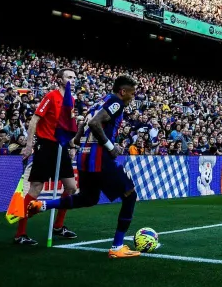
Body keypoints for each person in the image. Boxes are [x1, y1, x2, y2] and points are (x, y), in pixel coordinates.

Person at [29, 75, 143, 259]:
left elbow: (83, 123)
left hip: (84, 156)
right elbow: (94, 123)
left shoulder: (100, 101)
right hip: (100, 158)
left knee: (88, 198)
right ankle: (117, 246)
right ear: (123, 91)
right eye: (132, 92)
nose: (133, 96)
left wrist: (76, 139)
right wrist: (111, 147)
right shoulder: (116, 102)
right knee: (130, 195)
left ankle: (42, 205)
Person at [15, 68, 79, 246]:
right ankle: (20, 234)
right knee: (35, 189)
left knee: (71, 187)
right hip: (45, 145)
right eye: (68, 77)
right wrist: (29, 145)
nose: (72, 80)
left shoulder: (71, 100)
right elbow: (34, 120)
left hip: (62, 146)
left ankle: (58, 226)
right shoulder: (51, 96)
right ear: (59, 79)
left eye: (74, 78)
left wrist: (72, 145)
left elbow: (68, 126)